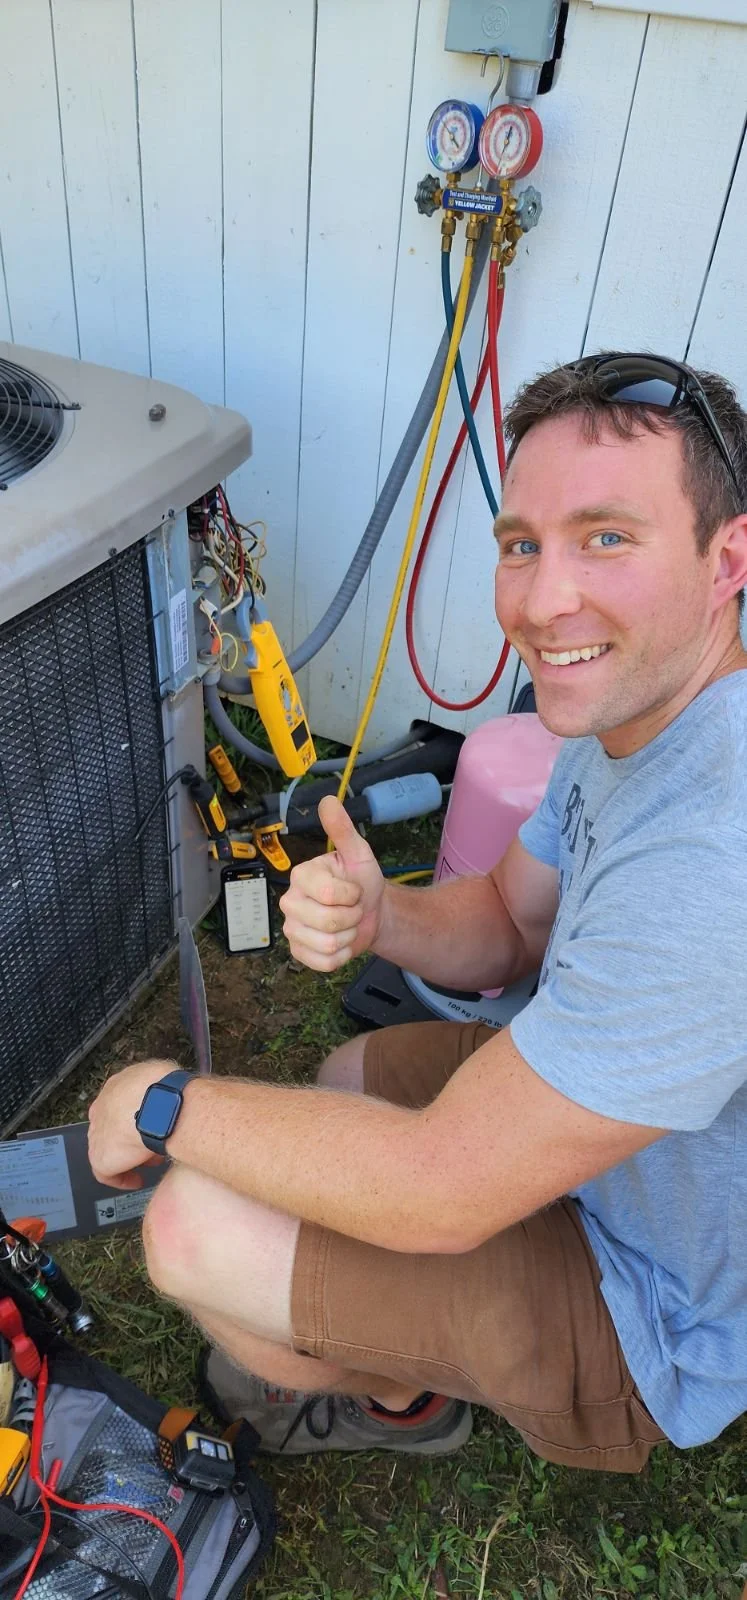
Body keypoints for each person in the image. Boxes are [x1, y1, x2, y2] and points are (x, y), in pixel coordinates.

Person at [88, 353, 747, 1471]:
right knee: (349, 1082)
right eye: (522, 544)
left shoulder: (713, 853)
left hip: (656, 1300)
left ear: (727, 559)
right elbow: (509, 920)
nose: (544, 601)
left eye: (608, 537)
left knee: (192, 1225)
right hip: (589, 1154)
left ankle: (400, 1396)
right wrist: (385, 916)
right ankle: (402, 1356)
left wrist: (158, 1106)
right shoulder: (645, 719)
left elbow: (439, 1188)